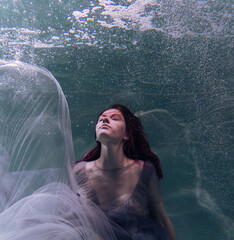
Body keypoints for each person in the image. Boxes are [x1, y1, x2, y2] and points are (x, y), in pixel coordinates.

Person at [73, 104, 177, 240]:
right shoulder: (78, 171)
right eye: (101, 119)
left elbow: (162, 219)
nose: (104, 121)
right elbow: (68, 218)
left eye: (115, 118)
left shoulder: (145, 171)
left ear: (127, 134)